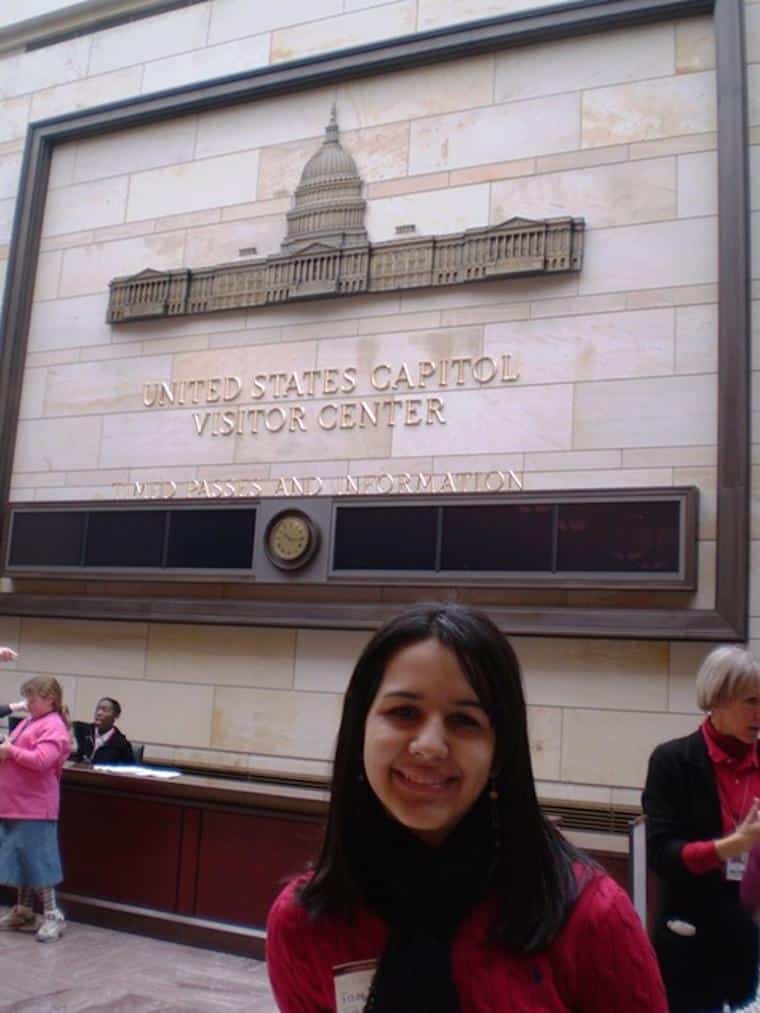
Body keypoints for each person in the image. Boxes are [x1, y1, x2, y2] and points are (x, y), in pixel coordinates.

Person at [267, 603, 666, 1012]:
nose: (429, 745)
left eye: (464, 720)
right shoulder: (303, 924)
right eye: (404, 712)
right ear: (360, 729)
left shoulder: (591, 918)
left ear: (499, 753)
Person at [643, 644, 760, 1012]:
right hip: (691, 937)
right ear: (719, 700)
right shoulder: (672, 761)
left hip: (750, 937)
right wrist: (733, 845)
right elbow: (662, 855)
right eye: (752, 701)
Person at [0, 675, 71, 943]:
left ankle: (53, 915)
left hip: (35, 805)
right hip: (15, 803)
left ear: (49, 700)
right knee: (21, 861)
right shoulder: (31, 721)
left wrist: (10, 753)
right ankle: (24, 911)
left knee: (39, 862)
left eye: (32, 698)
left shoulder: (54, 726)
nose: (27, 703)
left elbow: (42, 760)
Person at [72, 697, 133, 765]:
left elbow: (128, 770)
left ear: (116, 716)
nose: (99, 713)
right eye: (97, 709)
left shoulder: (121, 743)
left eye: (104, 710)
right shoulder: (83, 730)